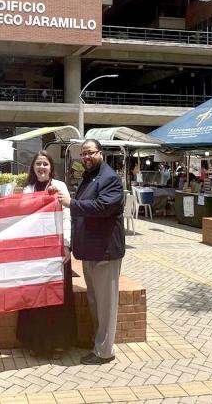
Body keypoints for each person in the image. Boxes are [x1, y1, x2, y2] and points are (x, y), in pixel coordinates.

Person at [55, 139, 124, 365]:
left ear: (100, 153)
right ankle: (98, 341)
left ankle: (105, 352)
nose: (86, 157)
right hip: (91, 252)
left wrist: (71, 203)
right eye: (83, 154)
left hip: (105, 252)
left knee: (106, 304)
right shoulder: (90, 177)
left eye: (90, 153)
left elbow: (102, 207)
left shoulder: (110, 178)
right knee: (95, 302)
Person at [16, 151, 76, 358]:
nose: (42, 167)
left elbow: (67, 216)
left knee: (58, 297)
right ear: (33, 168)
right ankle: (36, 342)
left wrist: (67, 245)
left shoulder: (60, 187)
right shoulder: (28, 189)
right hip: (35, 254)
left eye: (45, 164)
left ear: (51, 167)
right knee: (36, 297)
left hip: (57, 250)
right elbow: (22, 218)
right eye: (38, 164)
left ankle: (58, 342)